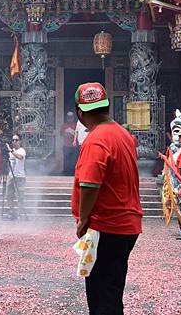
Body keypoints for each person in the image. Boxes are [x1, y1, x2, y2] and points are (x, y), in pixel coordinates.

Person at [71, 82, 143, 315]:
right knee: (111, 290)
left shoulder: (96, 139)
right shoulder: (122, 134)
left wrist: (83, 219)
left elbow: (90, 184)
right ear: (107, 107)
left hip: (107, 225)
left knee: (101, 295)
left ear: (80, 113)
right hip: (125, 224)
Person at [5, 134, 26, 220]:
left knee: (19, 196)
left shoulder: (22, 150)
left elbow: (20, 157)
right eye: (13, 140)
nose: (14, 142)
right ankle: (11, 212)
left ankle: (20, 213)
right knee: (8, 195)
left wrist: (11, 151)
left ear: (20, 141)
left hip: (19, 176)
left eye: (16, 140)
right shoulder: (11, 151)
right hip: (11, 176)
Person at [61, 111, 77, 176]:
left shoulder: (76, 125)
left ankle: (73, 172)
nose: (69, 118)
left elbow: (77, 134)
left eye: (71, 117)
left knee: (73, 160)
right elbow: (61, 133)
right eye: (68, 117)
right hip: (66, 145)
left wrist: (72, 132)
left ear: (73, 117)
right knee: (66, 160)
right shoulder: (64, 125)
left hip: (74, 146)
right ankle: (66, 172)